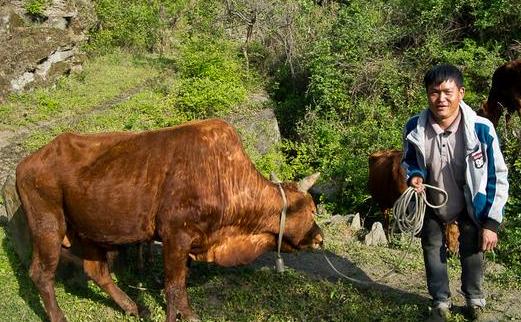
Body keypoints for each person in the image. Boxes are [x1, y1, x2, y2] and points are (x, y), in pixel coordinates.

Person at [401, 64, 509, 321]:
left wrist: (492, 222)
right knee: (432, 248)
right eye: (434, 92)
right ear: (427, 94)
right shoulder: (415, 126)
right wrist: (415, 175)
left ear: (461, 93)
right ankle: (440, 301)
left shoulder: (481, 129)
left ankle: (474, 300)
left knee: (472, 250)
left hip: (471, 203)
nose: (441, 99)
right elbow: (409, 160)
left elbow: (497, 176)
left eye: (448, 92)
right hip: (432, 201)